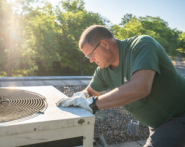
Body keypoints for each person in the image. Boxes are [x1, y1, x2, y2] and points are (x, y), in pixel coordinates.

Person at [56, 25, 185, 147]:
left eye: (91, 54)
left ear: (104, 44)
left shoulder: (142, 45)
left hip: (179, 115)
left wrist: (92, 104)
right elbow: (90, 92)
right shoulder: (103, 70)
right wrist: (80, 97)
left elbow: (141, 87)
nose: (91, 60)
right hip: (159, 124)